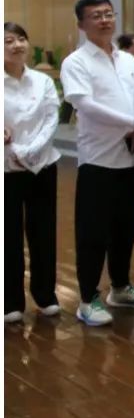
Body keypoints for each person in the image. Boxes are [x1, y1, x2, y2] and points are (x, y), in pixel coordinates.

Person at [60, 0, 134, 326]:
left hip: (132, 156)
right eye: (96, 15)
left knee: (126, 226)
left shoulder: (128, 60)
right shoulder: (76, 62)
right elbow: (85, 104)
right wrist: (132, 122)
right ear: (81, 24)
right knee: (93, 231)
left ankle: (120, 287)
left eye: (109, 14)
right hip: (98, 158)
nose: (104, 20)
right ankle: (87, 299)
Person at [4, 22, 61, 323]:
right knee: (8, 235)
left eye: (21, 39)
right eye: (8, 41)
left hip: (42, 165)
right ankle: (10, 301)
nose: (17, 45)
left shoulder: (43, 81)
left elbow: (52, 119)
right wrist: (15, 151)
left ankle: (45, 295)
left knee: (43, 232)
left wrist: (28, 151)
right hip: (6, 168)